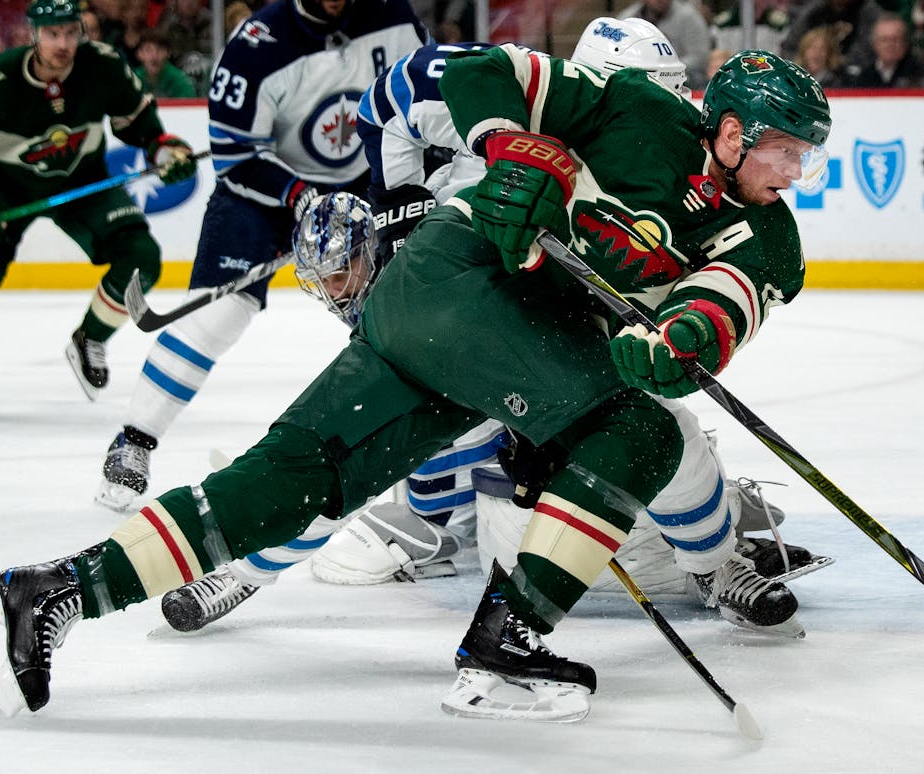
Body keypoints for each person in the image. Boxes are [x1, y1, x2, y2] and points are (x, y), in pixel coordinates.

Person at [0, 45, 831, 722]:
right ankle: (505, 647)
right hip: (465, 284)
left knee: (282, 484)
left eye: (804, 159)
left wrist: (677, 343)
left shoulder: (768, 239)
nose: (793, 174)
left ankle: (52, 592)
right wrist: (506, 146)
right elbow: (487, 71)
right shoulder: (634, 109)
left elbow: (721, 309)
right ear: (729, 130)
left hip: (441, 318)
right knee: (640, 434)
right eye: (784, 152)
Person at [158, 21, 826, 635]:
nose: (669, 117)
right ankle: (254, 566)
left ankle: (711, 559)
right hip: (477, 329)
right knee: (360, 449)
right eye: (654, 94)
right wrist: (403, 204)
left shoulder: (668, 176)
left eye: (676, 95)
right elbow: (399, 94)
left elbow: (703, 290)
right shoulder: (515, 129)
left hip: (566, 353)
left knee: (664, 441)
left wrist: (680, 332)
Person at [94, 0, 429, 512]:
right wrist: (299, 196)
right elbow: (235, 156)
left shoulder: (392, 15)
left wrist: (396, 187)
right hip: (264, 197)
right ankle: (134, 441)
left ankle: (429, 469)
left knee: (401, 320)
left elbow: (425, 102)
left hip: (366, 188)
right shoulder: (255, 47)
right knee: (217, 315)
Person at [0, 0, 195, 392]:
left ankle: (90, 340)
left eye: (72, 33)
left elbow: (140, 124)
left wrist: (163, 149)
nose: (63, 44)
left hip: (83, 182)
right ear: (33, 35)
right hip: (7, 188)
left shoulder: (103, 65)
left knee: (140, 256)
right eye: (53, 34)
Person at [618, 0, 712, 90]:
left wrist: (667, 68)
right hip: (636, 76)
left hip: (681, 79)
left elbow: (700, 57)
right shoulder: (627, 17)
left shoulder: (690, 17)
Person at [843, 13, 924, 88]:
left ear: (905, 42)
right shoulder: (864, 76)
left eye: (895, 39)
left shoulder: (921, 73)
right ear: (875, 44)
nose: (890, 45)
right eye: (884, 39)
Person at [134, 29, 197, 98]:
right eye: (148, 50)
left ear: (168, 53)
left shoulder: (180, 81)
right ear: (139, 54)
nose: (154, 56)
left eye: (160, 50)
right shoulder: (133, 78)